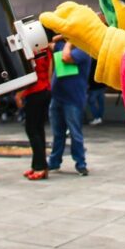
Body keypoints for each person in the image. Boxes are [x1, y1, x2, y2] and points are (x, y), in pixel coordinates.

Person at [48, 37, 92, 176]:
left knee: (75, 133)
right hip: (58, 96)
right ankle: (54, 161)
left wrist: (69, 42)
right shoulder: (61, 45)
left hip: (73, 99)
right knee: (57, 133)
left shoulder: (83, 50)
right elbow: (51, 43)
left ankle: (80, 163)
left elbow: (66, 58)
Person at [16, 44, 53, 180]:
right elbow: (49, 69)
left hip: (35, 91)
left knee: (32, 129)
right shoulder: (44, 47)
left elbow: (30, 74)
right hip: (44, 89)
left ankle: (40, 167)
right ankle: (38, 164)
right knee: (38, 129)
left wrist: (20, 94)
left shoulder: (30, 49)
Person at [87, 58, 107, 125]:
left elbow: (90, 74)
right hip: (102, 85)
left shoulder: (91, 62)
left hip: (94, 86)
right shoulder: (101, 61)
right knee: (101, 102)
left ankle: (96, 117)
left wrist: (88, 84)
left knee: (91, 101)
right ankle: (100, 117)